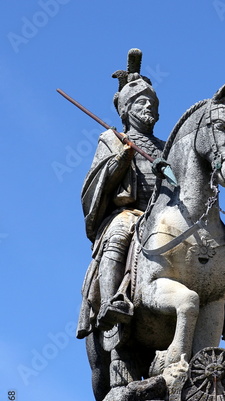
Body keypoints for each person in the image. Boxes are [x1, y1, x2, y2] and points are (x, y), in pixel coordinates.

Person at [77, 49, 165, 339]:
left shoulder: (166, 146)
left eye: (152, 102)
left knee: (209, 238)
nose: (149, 107)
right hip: (130, 212)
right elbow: (94, 186)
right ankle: (112, 299)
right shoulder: (113, 139)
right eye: (141, 102)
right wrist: (121, 159)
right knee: (119, 232)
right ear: (127, 109)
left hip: (164, 215)